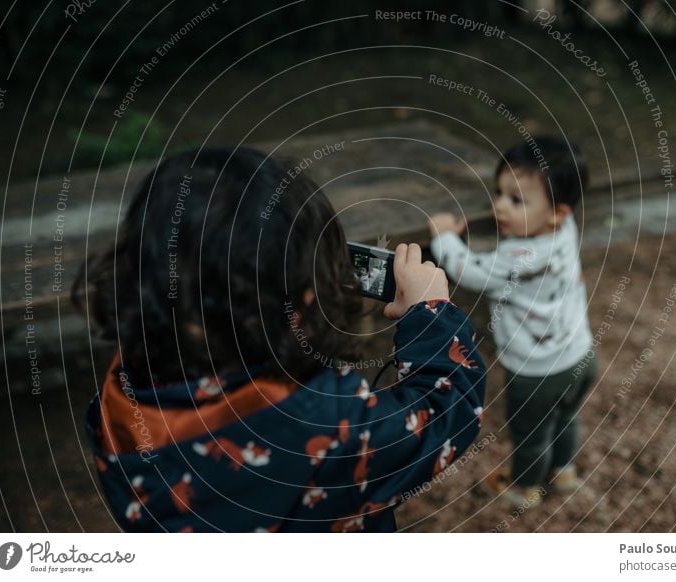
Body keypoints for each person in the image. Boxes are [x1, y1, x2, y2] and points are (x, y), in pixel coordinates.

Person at [74, 147, 486, 532]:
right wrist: (431, 313)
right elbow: (448, 414)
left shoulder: (122, 392)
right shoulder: (320, 421)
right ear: (303, 297)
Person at [428, 136, 596, 510]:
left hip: (537, 371)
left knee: (530, 432)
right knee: (566, 416)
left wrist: (444, 239)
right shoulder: (564, 233)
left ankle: (524, 487)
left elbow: (469, 271)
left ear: (557, 213)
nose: (499, 205)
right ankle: (563, 470)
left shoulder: (517, 255)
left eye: (516, 200)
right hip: (580, 355)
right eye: (500, 193)